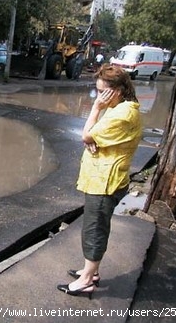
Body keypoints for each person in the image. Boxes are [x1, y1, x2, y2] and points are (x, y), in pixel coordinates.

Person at [57, 64, 142, 298]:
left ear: (117, 90)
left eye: (102, 91)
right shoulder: (118, 108)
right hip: (101, 178)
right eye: (97, 92)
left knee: (94, 229)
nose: (99, 96)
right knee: (93, 226)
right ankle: (90, 271)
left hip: (105, 182)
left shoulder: (123, 114)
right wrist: (91, 136)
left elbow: (87, 134)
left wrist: (95, 110)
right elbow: (91, 136)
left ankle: (86, 281)